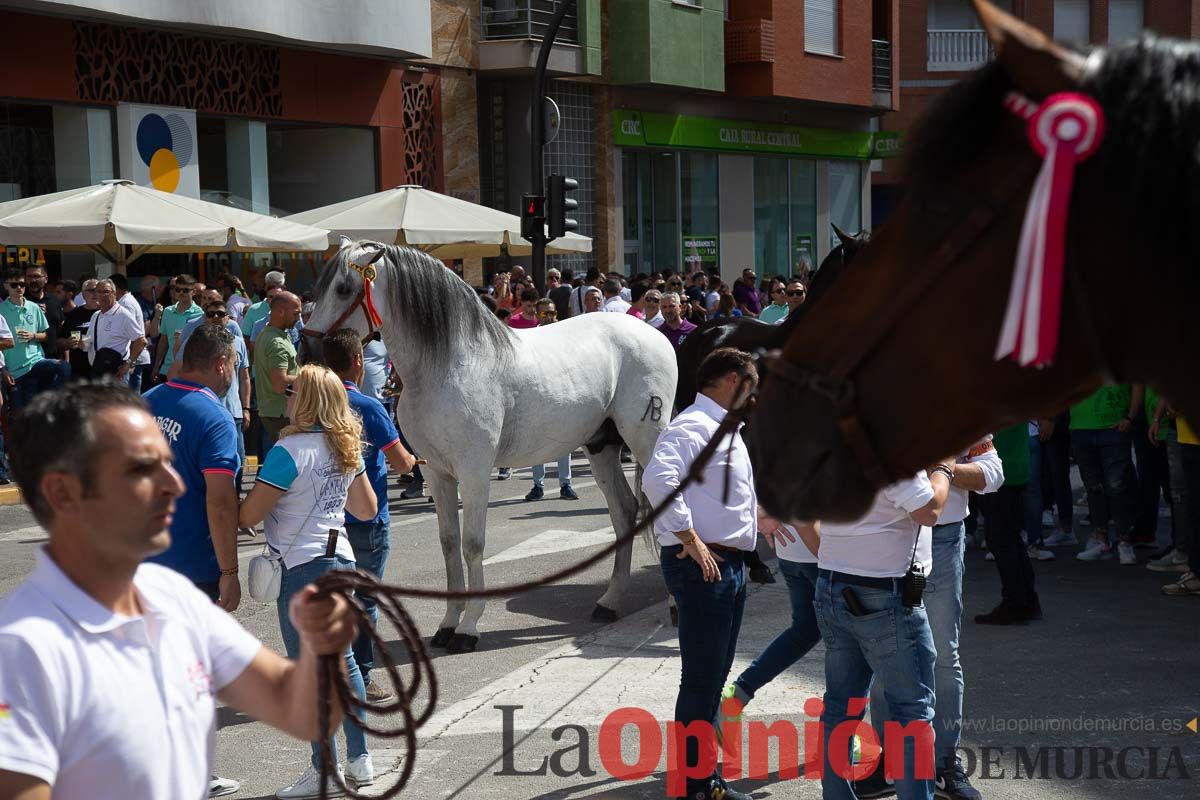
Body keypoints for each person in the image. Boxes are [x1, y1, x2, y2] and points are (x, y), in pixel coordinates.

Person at [0, 381, 359, 800]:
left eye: (168, 462)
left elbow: (299, 711)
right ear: (63, 492)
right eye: (141, 468)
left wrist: (322, 648)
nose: (173, 483)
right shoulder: (23, 648)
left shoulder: (173, 598)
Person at [239, 364, 379, 797]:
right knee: (345, 663)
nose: (286, 396)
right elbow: (367, 510)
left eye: (292, 390)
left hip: (302, 568)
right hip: (341, 562)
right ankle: (360, 760)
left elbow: (249, 514)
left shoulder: (288, 451)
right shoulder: (344, 445)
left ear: (309, 400)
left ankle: (325, 771)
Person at [643, 347, 761, 800]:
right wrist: (690, 538)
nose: (754, 397)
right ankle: (697, 785)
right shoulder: (693, 426)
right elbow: (657, 480)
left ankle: (704, 780)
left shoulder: (721, 429)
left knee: (711, 678)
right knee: (701, 680)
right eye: (751, 385)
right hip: (704, 566)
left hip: (725, 563)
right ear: (731, 380)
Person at [862, 437, 1003, 800]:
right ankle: (892, 763)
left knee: (943, 653)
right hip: (884, 532)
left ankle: (942, 765)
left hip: (942, 536)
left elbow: (993, 474)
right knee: (885, 652)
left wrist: (946, 469)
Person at [815, 462, 953, 800]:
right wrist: (944, 470)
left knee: (839, 707)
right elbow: (929, 510)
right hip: (881, 593)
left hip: (832, 584)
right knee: (912, 713)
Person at [322, 329, 417, 702]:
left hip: (324, 516)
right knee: (364, 601)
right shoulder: (368, 406)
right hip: (366, 518)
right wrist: (412, 461)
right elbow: (400, 462)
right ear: (358, 361)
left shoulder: (313, 403)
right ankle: (360, 676)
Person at [175, 300, 252, 482]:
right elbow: (176, 372)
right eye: (211, 314)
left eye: (220, 314)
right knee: (209, 464)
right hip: (204, 412)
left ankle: (234, 496)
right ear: (205, 318)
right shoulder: (193, 343)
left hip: (233, 412)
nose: (216, 317)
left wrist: (246, 408)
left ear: (228, 318)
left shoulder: (238, 343)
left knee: (237, 462)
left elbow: (244, 377)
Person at [975, 423, 1041, 624]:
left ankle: (1015, 603)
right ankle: (1026, 600)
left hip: (1001, 470)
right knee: (1011, 538)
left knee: (1001, 540)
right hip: (1013, 466)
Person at [1071, 385, 1139, 564]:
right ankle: (1101, 539)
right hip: (1081, 427)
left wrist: (1130, 417)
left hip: (1114, 428)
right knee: (1093, 487)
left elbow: (1137, 383)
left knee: (1116, 486)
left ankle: (1124, 540)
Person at [0, 269, 69, 410]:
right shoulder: (1, 310)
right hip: (14, 370)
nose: (19, 288)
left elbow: (47, 335)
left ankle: (52, 402)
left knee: (63, 367)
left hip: (36, 362)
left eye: (22, 284)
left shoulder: (34, 307)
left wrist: (33, 336)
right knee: (21, 414)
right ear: (6, 286)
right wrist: (3, 370)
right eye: (14, 285)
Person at [253, 292, 302, 448]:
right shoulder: (277, 343)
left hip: (274, 411)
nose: (299, 318)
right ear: (281, 311)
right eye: (295, 313)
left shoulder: (269, 334)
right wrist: (309, 377)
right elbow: (280, 384)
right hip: (281, 414)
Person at [85, 278, 147, 381]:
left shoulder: (123, 315)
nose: (102, 295)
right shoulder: (96, 315)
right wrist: (81, 343)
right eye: (99, 292)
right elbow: (89, 340)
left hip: (117, 373)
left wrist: (128, 364)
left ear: (114, 294)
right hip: (98, 370)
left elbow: (141, 341)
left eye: (106, 291)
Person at [153, 275, 203, 383]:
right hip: (167, 369)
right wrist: (156, 366)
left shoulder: (201, 314)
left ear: (194, 292)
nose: (181, 293)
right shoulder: (167, 311)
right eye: (177, 289)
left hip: (190, 371)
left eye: (185, 290)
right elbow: (163, 341)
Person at [110, 273, 154, 391]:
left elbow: (134, 335)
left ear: (116, 288)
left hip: (133, 360)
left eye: (109, 290)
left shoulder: (126, 304)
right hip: (133, 358)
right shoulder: (126, 301)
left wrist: (130, 362)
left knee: (131, 397)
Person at [61, 279, 100, 380]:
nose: (95, 293)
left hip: (104, 368)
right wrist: (67, 342)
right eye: (91, 290)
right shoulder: (74, 314)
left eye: (98, 290)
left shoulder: (107, 313)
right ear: (83, 294)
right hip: (80, 370)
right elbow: (59, 340)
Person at [24, 265, 64, 359]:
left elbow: (60, 329)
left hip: (53, 357)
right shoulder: (21, 301)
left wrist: (66, 357)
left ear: (45, 279)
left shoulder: (54, 300)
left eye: (37, 276)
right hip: (28, 359)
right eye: (29, 276)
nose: (33, 280)